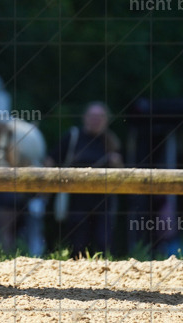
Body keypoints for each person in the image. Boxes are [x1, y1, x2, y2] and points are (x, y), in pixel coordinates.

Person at [52, 101, 123, 256]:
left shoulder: (111, 142)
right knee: (77, 243)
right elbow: (52, 161)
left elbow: (123, 175)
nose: (96, 120)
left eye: (100, 117)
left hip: (103, 203)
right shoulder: (73, 137)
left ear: (106, 120)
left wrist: (116, 164)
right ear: (85, 118)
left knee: (104, 242)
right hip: (76, 202)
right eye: (93, 116)